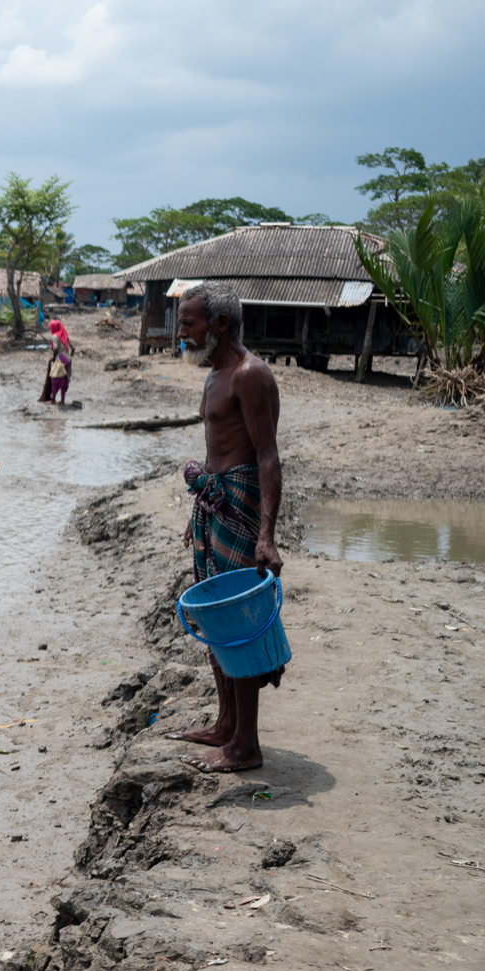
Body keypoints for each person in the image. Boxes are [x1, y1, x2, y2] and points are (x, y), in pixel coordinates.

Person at [166, 281, 284, 773]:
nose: (181, 333)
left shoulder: (248, 375)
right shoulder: (214, 375)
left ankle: (246, 745)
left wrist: (266, 534)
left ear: (219, 324)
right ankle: (226, 725)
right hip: (213, 504)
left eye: (188, 323)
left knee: (238, 623)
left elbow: (268, 457)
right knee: (214, 618)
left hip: (240, 506)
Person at [40, 319, 74, 405]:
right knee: (64, 380)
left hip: (60, 360)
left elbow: (55, 348)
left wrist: (54, 358)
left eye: (51, 327)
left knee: (55, 380)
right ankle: (62, 400)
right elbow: (73, 348)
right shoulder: (64, 335)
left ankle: (53, 399)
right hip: (67, 360)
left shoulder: (55, 336)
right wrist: (69, 357)